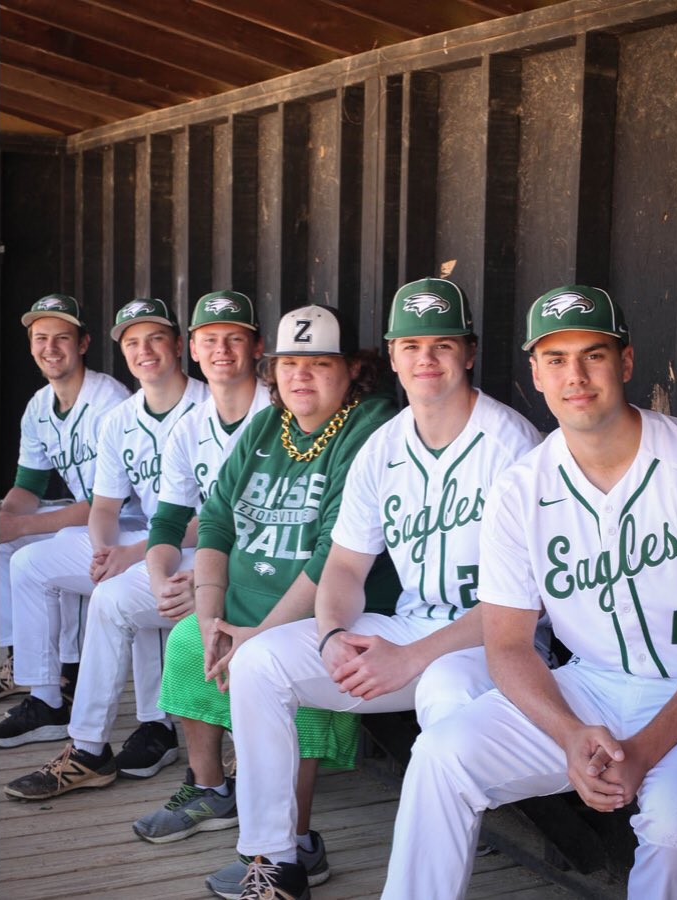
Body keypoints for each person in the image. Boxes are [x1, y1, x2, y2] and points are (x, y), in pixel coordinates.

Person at [381, 284, 677, 900]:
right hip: (591, 685)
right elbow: (508, 644)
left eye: (594, 355)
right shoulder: (520, 488)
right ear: (536, 374)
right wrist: (568, 733)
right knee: (441, 754)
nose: (576, 376)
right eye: (556, 359)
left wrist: (644, 750)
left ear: (625, 363)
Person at [210, 277, 547, 900]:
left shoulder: (513, 447)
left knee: (445, 689)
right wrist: (332, 634)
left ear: (469, 353)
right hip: (409, 629)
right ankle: (278, 859)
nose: (426, 359)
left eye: (442, 345)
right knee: (260, 662)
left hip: (494, 645)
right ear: (392, 355)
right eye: (411, 345)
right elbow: (343, 567)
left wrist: (412, 657)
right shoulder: (383, 445)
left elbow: (522, 609)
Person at [135, 303, 399, 886]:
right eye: (289, 363)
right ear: (273, 370)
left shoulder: (369, 426)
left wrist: (260, 634)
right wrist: (211, 618)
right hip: (249, 600)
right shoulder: (269, 425)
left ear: (353, 369)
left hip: (325, 609)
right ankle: (210, 789)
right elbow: (216, 522)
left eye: (320, 363)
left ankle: (297, 844)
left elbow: (333, 552)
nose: (301, 375)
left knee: (279, 673)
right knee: (188, 641)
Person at [2, 298, 208, 790]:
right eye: (133, 342)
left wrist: (130, 554)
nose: (145, 350)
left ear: (180, 346)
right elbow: (103, 507)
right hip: (141, 536)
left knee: (130, 586)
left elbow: (215, 520)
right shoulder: (125, 417)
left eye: (156, 339)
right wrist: (102, 551)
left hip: (190, 544)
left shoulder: (207, 407)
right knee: (30, 562)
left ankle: (152, 725)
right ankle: (48, 697)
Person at [0, 294, 130, 699]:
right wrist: (5, 518)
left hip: (128, 521)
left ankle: (63, 670)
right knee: (1, 540)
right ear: (31, 346)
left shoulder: (109, 401)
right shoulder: (39, 406)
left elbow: (110, 504)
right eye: (41, 338)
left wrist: (21, 526)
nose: (50, 348)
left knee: (54, 543)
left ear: (83, 343)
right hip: (88, 514)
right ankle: (13, 658)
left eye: (62, 338)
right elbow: (29, 486)